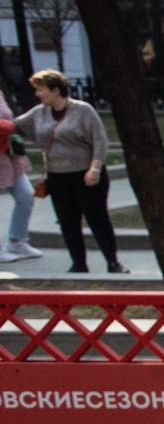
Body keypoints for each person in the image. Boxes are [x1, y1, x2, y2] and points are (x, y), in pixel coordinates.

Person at [15, 69, 127, 273]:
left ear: (55, 89)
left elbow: (99, 140)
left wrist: (95, 168)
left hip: (85, 175)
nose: (37, 94)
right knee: (67, 221)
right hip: (57, 177)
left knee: (97, 218)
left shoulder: (83, 110)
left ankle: (112, 261)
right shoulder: (39, 112)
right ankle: (78, 263)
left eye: (41, 90)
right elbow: (15, 126)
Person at [0, 85, 43, 262]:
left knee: (26, 196)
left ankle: (17, 240)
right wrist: (8, 126)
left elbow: (8, 119)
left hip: (8, 154)